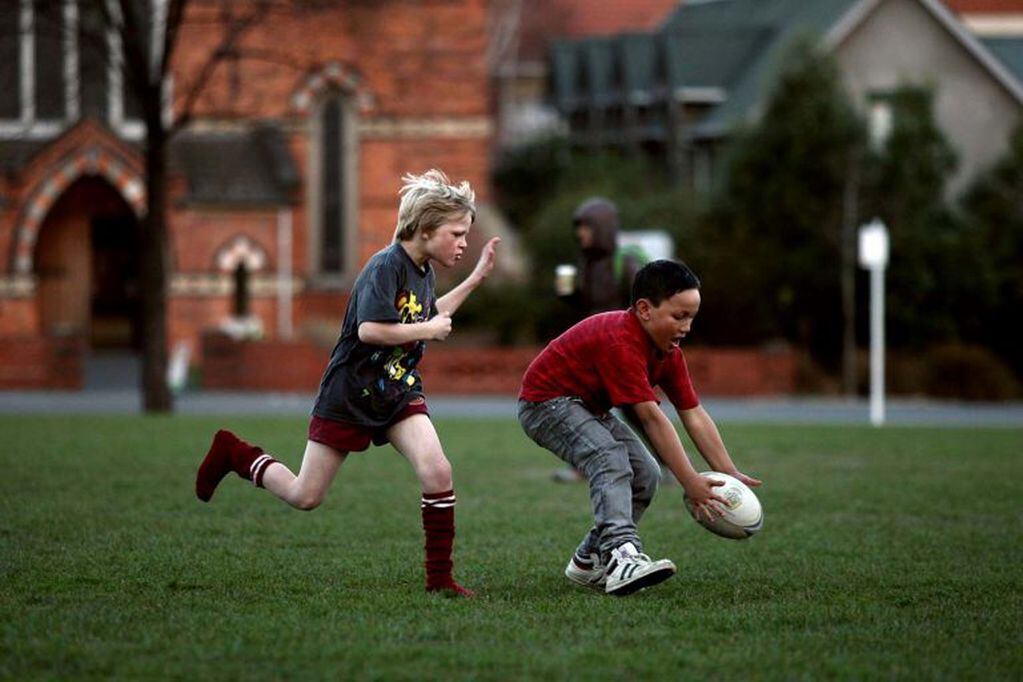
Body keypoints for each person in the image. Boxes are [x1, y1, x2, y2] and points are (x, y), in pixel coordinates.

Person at [195, 169, 499, 598]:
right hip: (350, 394)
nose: (464, 243)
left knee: (437, 470)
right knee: (306, 495)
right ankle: (235, 453)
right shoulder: (385, 266)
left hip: (396, 393)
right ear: (427, 229)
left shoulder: (424, 270)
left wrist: (474, 280)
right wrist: (426, 332)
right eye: (457, 233)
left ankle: (440, 581)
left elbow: (429, 314)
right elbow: (371, 331)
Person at [518, 259, 762, 596]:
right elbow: (652, 418)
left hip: (584, 405)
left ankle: (589, 560)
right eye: (679, 316)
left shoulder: (668, 353)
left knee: (646, 473)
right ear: (645, 310)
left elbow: (692, 413)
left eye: (691, 317)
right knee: (609, 457)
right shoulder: (622, 341)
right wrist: (690, 481)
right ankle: (621, 555)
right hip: (545, 404)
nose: (687, 327)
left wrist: (727, 470)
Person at [552, 197, 646, 483]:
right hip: (594, 348)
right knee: (583, 405)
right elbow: (588, 307)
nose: (581, 233)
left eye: (586, 227)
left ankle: (668, 464)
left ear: (602, 228)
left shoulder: (625, 262)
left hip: (619, 349)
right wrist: (568, 295)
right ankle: (585, 465)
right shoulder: (588, 264)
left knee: (638, 409)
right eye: (579, 227)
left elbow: (644, 306)